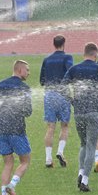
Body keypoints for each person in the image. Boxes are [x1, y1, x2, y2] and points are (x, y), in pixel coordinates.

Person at [62, 42, 98, 192]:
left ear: (84, 53)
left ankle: (80, 172)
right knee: (91, 145)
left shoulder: (74, 69)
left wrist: (72, 100)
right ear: (95, 55)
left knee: (83, 144)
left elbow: (62, 87)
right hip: (95, 112)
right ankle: (85, 180)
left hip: (79, 112)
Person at [0, 60, 32, 195]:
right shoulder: (24, 88)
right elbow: (28, 111)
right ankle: (12, 184)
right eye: (27, 70)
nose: (29, 73)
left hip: (1, 129)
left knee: (8, 163)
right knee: (25, 161)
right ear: (20, 70)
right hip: (17, 130)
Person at [40, 35, 73, 168]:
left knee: (50, 127)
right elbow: (71, 73)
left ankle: (48, 158)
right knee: (64, 125)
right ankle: (60, 151)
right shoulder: (67, 57)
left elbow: (41, 81)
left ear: (53, 44)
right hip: (63, 94)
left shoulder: (46, 59)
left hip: (49, 94)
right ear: (63, 44)